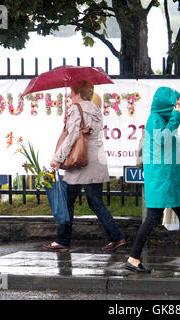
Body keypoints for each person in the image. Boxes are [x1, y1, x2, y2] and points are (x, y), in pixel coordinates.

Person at [125, 86, 180, 273]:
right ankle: (134, 258)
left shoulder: (161, 119)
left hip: (168, 178)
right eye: (174, 103)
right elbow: (163, 141)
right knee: (155, 218)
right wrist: (175, 119)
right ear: (166, 104)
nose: (177, 107)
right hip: (163, 179)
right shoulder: (156, 119)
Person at [44, 79, 126, 251]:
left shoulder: (76, 109)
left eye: (72, 91)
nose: (70, 94)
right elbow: (83, 131)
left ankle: (62, 240)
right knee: (96, 202)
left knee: (67, 201)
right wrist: (67, 121)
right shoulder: (96, 110)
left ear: (78, 93)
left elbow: (73, 136)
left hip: (80, 161)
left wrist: (58, 158)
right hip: (96, 160)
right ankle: (116, 237)